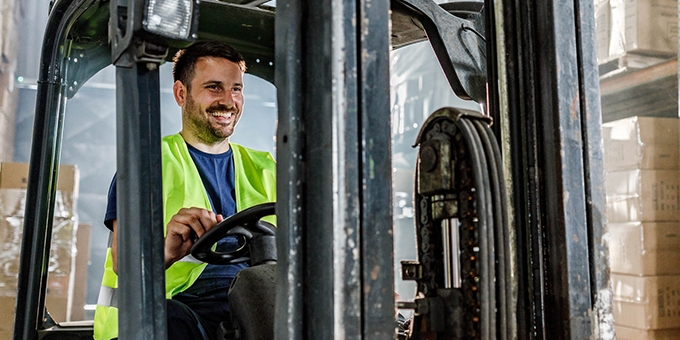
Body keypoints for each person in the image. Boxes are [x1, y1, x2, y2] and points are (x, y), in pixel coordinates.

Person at [93, 41, 277, 340]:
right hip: (180, 311)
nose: (229, 101)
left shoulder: (267, 168)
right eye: (214, 87)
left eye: (236, 89)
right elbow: (122, 264)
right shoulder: (148, 164)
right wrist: (167, 250)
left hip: (255, 302)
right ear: (181, 93)